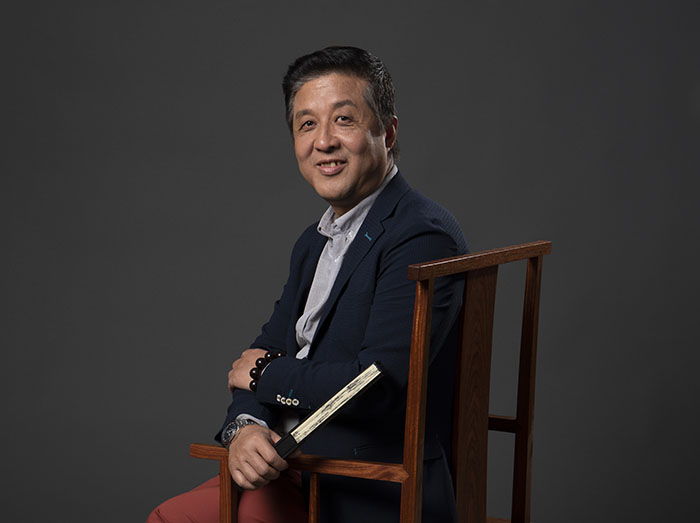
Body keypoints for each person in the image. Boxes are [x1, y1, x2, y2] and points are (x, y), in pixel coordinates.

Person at [148, 46, 467, 523]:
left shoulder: (420, 236)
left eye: (344, 120)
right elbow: (269, 345)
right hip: (292, 464)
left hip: (358, 481)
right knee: (168, 517)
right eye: (307, 125)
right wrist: (245, 428)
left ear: (387, 131)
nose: (323, 142)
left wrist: (265, 375)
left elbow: (374, 385)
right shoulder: (313, 242)